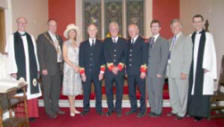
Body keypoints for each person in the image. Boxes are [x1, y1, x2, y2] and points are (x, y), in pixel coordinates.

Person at [6, 17, 42, 121]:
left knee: (31, 90)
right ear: (17, 23)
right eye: (20, 22)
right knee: (21, 91)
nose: (22, 24)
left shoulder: (30, 36)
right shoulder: (12, 37)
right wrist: (12, 70)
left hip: (31, 69)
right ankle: (21, 115)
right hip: (19, 70)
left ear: (26, 24)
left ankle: (31, 114)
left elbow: (34, 53)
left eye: (24, 23)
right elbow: (10, 55)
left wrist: (37, 67)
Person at [187, 14, 217, 121]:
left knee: (201, 90)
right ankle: (192, 111)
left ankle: (200, 113)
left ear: (203, 22)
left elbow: (212, 53)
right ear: (193, 24)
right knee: (193, 89)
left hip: (204, 69)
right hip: (193, 68)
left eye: (199, 21)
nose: (197, 23)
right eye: (195, 21)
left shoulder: (208, 36)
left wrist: (208, 67)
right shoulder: (190, 37)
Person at [37, 19, 65, 118]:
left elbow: (61, 52)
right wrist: (43, 68)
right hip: (47, 69)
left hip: (58, 67)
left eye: (55, 25)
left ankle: (55, 107)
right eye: (51, 25)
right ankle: (48, 110)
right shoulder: (42, 37)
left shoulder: (59, 37)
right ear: (48, 25)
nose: (53, 27)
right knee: (47, 90)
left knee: (56, 90)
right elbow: (40, 54)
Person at [166, 19, 192, 120]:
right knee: (173, 93)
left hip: (181, 72)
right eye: (172, 26)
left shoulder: (186, 39)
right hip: (171, 71)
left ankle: (182, 112)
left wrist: (185, 72)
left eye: (176, 26)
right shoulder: (170, 40)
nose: (174, 28)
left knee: (182, 93)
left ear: (181, 27)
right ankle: (175, 110)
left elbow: (188, 57)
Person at [79, 24, 105, 116]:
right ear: (87, 31)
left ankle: (99, 109)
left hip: (98, 73)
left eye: (94, 30)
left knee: (98, 91)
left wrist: (102, 72)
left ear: (96, 31)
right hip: (86, 73)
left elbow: (103, 59)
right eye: (90, 30)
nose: (92, 31)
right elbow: (81, 60)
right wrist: (82, 74)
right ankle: (85, 109)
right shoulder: (83, 44)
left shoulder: (101, 44)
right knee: (86, 91)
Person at [104, 22, 128, 117]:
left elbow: (125, 55)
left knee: (119, 90)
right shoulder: (106, 41)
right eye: (111, 28)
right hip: (109, 71)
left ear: (118, 30)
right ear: (109, 30)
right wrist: (111, 67)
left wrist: (118, 67)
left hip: (119, 70)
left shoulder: (124, 41)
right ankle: (110, 109)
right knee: (108, 90)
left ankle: (118, 109)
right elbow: (105, 54)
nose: (113, 30)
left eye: (115, 28)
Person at [147, 20, 169, 117]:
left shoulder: (164, 41)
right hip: (149, 72)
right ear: (151, 28)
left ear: (160, 28)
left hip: (158, 72)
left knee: (157, 92)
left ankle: (158, 111)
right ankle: (153, 108)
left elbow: (164, 58)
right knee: (151, 91)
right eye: (152, 26)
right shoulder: (149, 40)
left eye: (156, 26)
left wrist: (160, 72)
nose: (154, 28)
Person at [125, 24, 148, 118]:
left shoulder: (143, 41)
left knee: (142, 92)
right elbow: (127, 57)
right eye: (129, 30)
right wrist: (126, 70)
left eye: (133, 30)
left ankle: (143, 110)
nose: (131, 32)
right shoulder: (128, 42)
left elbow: (145, 57)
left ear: (137, 30)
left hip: (139, 72)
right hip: (130, 72)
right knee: (131, 91)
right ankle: (133, 108)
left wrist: (143, 71)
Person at [62, 24, 82, 117]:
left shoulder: (77, 43)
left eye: (74, 31)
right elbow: (65, 57)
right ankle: (71, 108)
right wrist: (73, 66)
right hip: (69, 68)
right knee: (70, 89)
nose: (72, 33)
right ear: (68, 33)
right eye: (71, 32)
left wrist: (79, 67)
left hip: (77, 69)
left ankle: (74, 107)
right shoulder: (65, 43)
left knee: (74, 89)